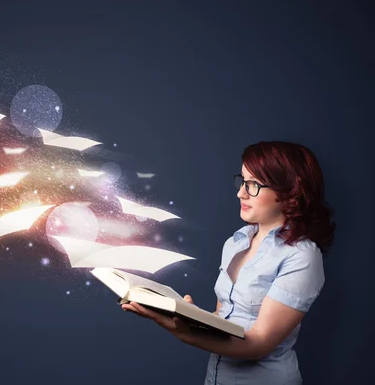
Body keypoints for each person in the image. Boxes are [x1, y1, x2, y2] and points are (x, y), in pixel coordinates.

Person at [122, 141, 336, 384]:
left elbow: (258, 344)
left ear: (289, 191)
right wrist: (187, 315)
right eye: (242, 181)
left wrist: (181, 331)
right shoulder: (235, 243)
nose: (241, 193)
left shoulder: (302, 256)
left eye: (253, 184)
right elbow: (225, 319)